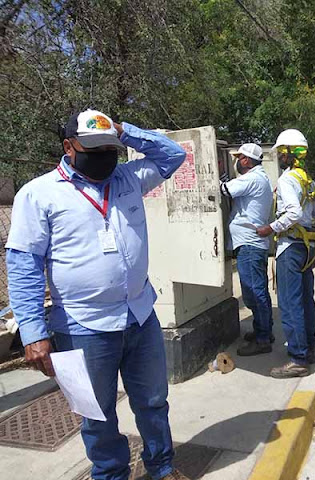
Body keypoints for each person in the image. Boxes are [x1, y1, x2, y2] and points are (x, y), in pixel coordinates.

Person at [6, 109, 188, 480]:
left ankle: (162, 468)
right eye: (94, 147)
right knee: (96, 414)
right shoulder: (38, 195)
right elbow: (23, 265)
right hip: (81, 326)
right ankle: (110, 475)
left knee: (153, 403)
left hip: (139, 315)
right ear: (68, 147)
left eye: (110, 147)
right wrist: (33, 332)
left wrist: (125, 131)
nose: (104, 154)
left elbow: (173, 155)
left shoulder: (128, 179)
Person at [256, 129, 315, 378]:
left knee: (289, 303)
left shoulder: (287, 180)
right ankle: (308, 346)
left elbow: (294, 214)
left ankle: (298, 358)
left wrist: (270, 228)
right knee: (306, 298)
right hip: (307, 248)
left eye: (280, 152)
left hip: (290, 247)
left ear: (287, 153)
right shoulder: (308, 180)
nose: (278, 157)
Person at [221, 143, 275, 356]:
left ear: (246, 160)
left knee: (255, 292)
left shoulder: (252, 178)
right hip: (251, 244)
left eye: (239, 157)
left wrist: (214, 174)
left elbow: (223, 190)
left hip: (250, 245)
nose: (237, 161)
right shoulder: (257, 178)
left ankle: (263, 339)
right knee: (256, 291)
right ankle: (264, 331)